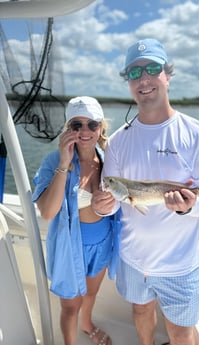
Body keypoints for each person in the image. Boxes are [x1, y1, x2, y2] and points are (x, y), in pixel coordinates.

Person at [91, 38, 199, 345]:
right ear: (128, 81)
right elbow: (115, 203)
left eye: (152, 68)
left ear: (167, 74)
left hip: (179, 264)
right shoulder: (117, 141)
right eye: (135, 72)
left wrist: (188, 207)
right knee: (140, 311)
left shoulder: (198, 136)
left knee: (180, 332)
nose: (144, 79)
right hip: (132, 259)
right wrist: (102, 206)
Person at [32, 96, 113, 345]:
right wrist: (65, 164)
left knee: (91, 293)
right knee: (70, 306)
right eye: (77, 125)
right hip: (70, 248)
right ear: (69, 129)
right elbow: (47, 212)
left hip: (103, 242)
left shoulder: (110, 159)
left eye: (92, 124)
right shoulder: (53, 162)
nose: (85, 131)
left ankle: (87, 323)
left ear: (101, 128)